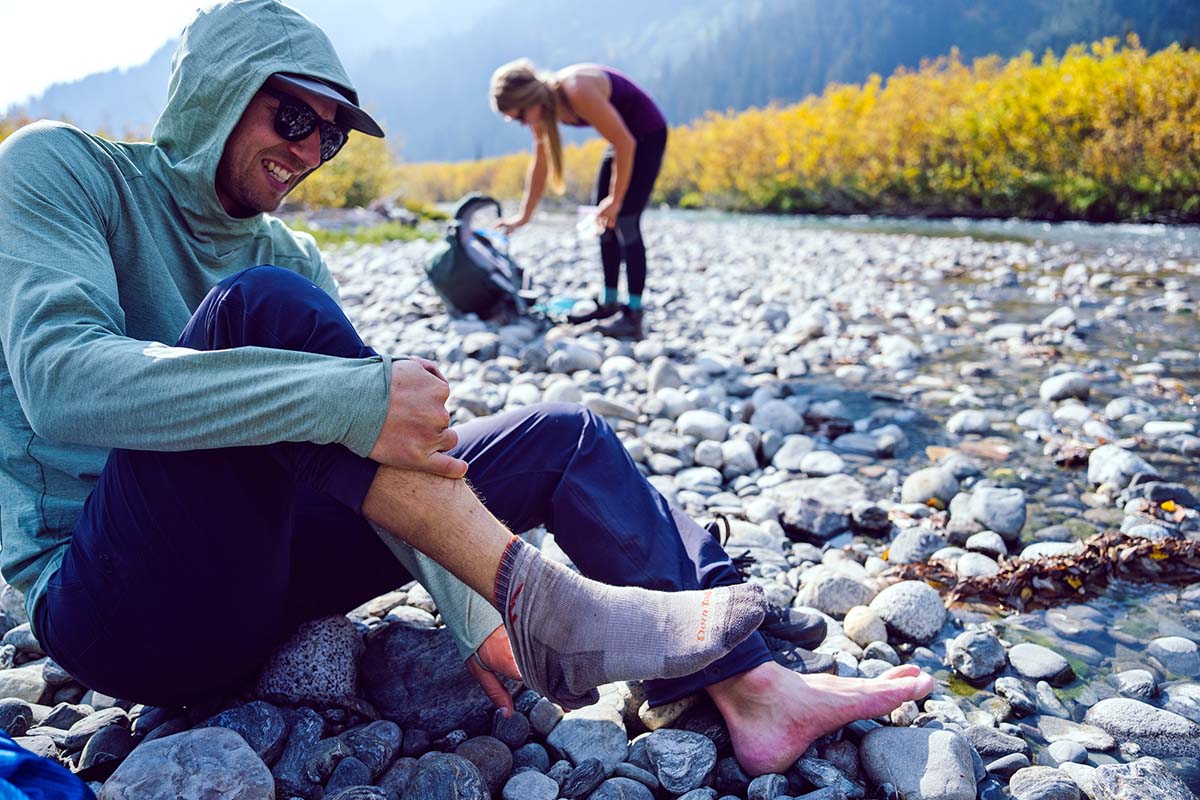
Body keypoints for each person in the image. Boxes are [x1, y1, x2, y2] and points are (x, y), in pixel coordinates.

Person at [0, 0, 932, 778]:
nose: (310, 148)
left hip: (259, 568)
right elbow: (61, 384)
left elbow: (374, 457)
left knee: (562, 434)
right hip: (113, 599)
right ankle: (552, 603)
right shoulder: (61, 172)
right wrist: (350, 402)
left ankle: (753, 688)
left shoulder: (291, 249)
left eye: (329, 136)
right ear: (216, 91)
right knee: (266, 313)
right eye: (292, 117)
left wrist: (470, 609)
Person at [491, 60, 666, 340]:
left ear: (530, 100)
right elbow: (541, 163)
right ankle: (609, 303)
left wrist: (616, 198)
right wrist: (524, 216)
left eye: (521, 117)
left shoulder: (576, 90)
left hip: (645, 136)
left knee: (626, 221)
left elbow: (626, 142)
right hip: (622, 141)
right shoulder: (541, 112)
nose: (524, 124)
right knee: (602, 221)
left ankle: (634, 315)